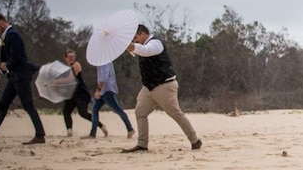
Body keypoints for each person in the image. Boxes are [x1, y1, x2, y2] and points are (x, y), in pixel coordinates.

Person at [122, 24, 202, 153]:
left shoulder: (156, 43)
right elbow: (135, 50)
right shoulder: (142, 46)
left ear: (143, 34)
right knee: (140, 112)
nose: (135, 40)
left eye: (136, 37)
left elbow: (145, 51)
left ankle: (195, 140)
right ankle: (142, 144)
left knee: (175, 113)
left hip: (165, 86)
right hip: (149, 88)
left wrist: (128, 44)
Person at [0, 13, 46, 145]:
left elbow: (16, 59)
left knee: (28, 105)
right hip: (14, 76)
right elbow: (8, 60)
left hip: (21, 76)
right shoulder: (7, 36)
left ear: (0, 23)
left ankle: (40, 135)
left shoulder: (13, 35)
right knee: (3, 104)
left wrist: (4, 67)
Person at [62, 49, 107, 137]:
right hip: (72, 94)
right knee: (66, 111)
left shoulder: (76, 64)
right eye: (69, 57)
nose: (71, 58)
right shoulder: (66, 68)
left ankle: (101, 125)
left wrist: (57, 81)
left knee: (83, 113)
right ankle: (69, 131)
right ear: (65, 58)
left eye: (73, 56)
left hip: (81, 94)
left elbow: (71, 78)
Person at [85, 61, 135, 139]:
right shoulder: (101, 62)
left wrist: (98, 89)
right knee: (94, 110)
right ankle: (92, 133)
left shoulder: (105, 62)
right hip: (103, 91)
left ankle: (130, 129)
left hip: (107, 90)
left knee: (118, 110)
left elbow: (104, 77)